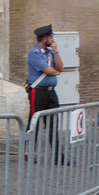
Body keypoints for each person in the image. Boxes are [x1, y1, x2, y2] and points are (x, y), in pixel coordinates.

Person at [27, 24, 66, 164]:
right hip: (38, 92)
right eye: (50, 37)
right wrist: (55, 72)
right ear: (44, 39)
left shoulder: (50, 53)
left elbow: (60, 68)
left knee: (53, 125)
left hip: (51, 92)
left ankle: (58, 157)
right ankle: (28, 153)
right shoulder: (35, 53)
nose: (52, 39)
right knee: (34, 123)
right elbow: (49, 71)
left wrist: (56, 52)